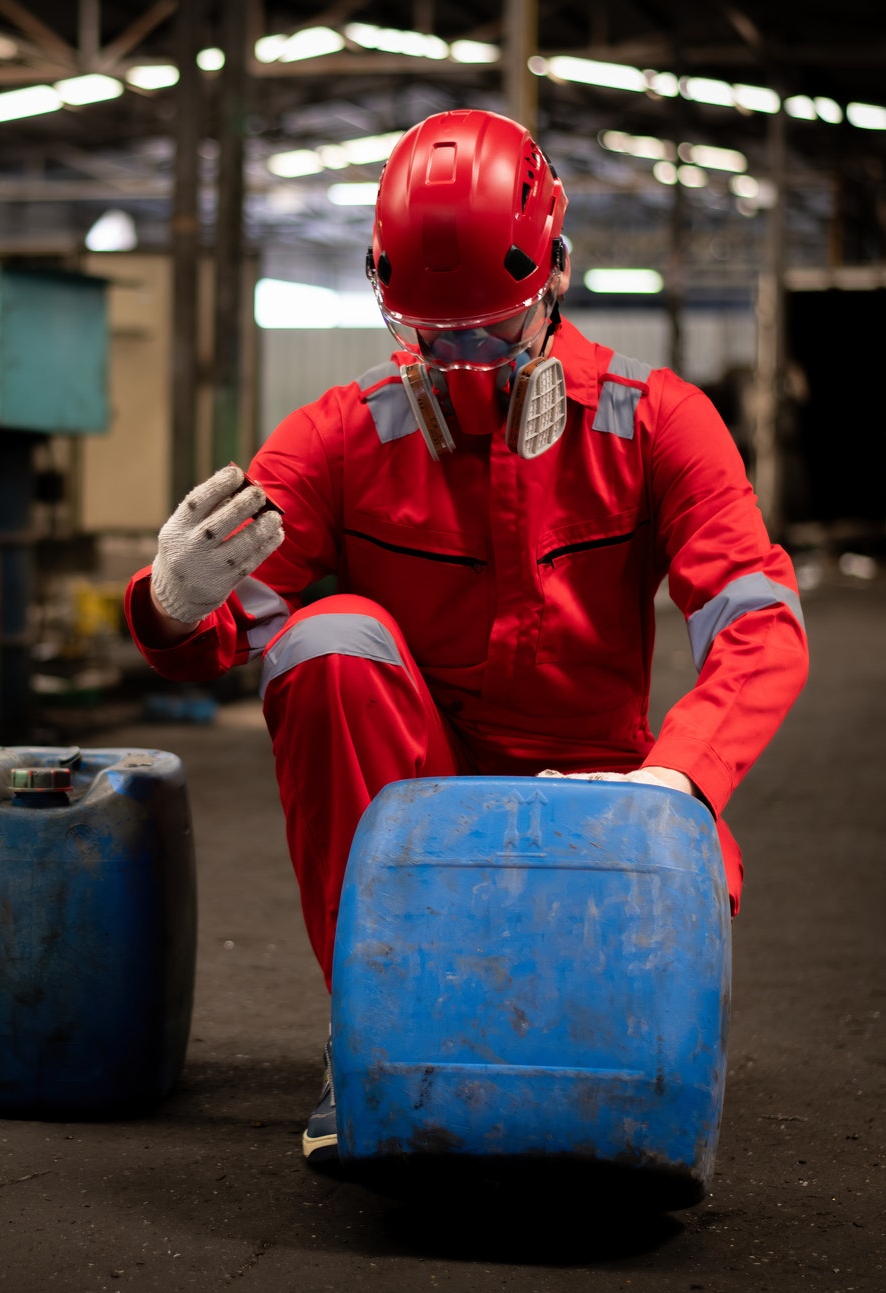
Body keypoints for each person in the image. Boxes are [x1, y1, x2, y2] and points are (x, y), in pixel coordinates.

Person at [121, 109, 809, 1165]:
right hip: (419, 810)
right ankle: (369, 1035)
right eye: (434, 341)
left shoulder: (657, 422)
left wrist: (681, 778)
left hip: (607, 804)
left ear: (557, 276)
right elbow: (225, 629)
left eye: (492, 332)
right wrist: (169, 600)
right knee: (323, 642)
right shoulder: (342, 438)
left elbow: (757, 624)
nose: (466, 369)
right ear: (389, 304)